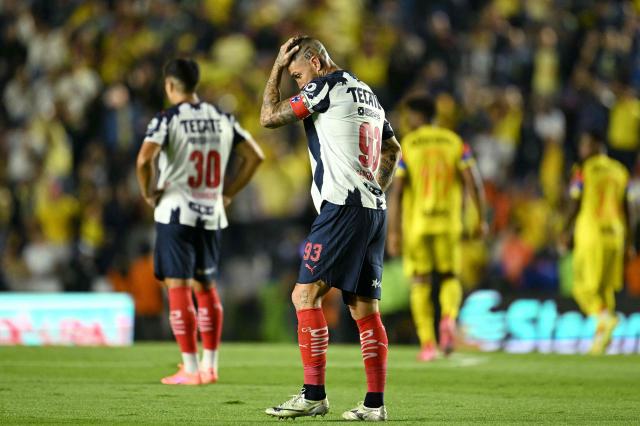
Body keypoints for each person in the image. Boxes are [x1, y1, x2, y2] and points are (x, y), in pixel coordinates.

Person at [259, 36, 401, 421]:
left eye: (298, 74)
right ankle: (375, 405)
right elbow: (392, 149)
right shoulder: (367, 93)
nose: (299, 83)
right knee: (365, 309)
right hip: (374, 209)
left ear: (317, 63)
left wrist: (275, 66)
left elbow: (268, 116)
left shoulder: (325, 86)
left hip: (343, 206)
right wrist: (374, 185)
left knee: (304, 297)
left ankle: (313, 395)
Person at [136, 58, 264, 385]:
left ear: (169, 85)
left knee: (178, 288)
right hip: (210, 212)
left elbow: (144, 159)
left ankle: (190, 369)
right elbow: (254, 156)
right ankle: (210, 366)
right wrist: (228, 192)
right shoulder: (222, 117)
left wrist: (149, 192)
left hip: (176, 210)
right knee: (206, 288)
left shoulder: (168, 119)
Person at [387, 94, 487, 362]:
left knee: (419, 281)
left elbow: (396, 192)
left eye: (410, 117)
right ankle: (448, 319)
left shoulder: (408, 145)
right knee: (449, 277)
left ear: (419, 116)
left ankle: (428, 344)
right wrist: (481, 219)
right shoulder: (455, 142)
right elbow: (473, 182)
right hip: (448, 223)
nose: (407, 122)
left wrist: (394, 232)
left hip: (417, 225)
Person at [561, 130, 634, 354]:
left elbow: (575, 201)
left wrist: (564, 230)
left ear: (595, 146)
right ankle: (602, 339)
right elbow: (628, 209)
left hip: (591, 234)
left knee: (582, 287)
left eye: (585, 145)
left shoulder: (583, 170)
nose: (582, 150)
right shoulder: (621, 171)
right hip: (616, 235)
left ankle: (605, 319)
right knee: (605, 288)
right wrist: (629, 241)